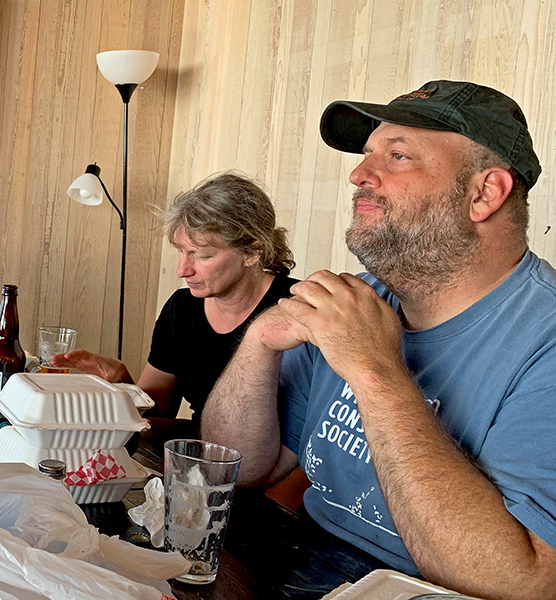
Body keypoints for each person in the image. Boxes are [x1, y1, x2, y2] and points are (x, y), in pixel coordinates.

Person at [201, 81, 556, 599]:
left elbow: (520, 582)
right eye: (368, 154)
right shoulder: (358, 302)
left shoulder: (543, 342)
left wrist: (374, 371)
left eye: (398, 156)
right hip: (301, 559)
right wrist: (259, 341)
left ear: (484, 193)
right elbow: (237, 464)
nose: (359, 175)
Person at [53, 172, 298, 441]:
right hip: (197, 457)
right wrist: (121, 381)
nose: (182, 269)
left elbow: (313, 440)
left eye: (201, 255)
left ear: (252, 252)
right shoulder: (182, 308)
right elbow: (158, 411)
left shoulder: (297, 309)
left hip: (273, 471)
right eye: (181, 251)